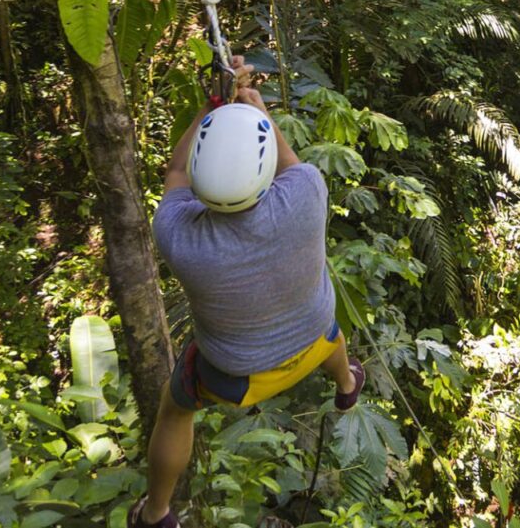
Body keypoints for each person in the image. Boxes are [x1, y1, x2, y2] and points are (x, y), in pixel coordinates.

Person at [129, 57, 364, 528]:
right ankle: (345, 385)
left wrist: (212, 106)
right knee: (330, 328)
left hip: (233, 379)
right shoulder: (307, 194)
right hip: (314, 339)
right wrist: (255, 110)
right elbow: (288, 161)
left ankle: (156, 513)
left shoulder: (179, 236)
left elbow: (176, 171)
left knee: (175, 409)